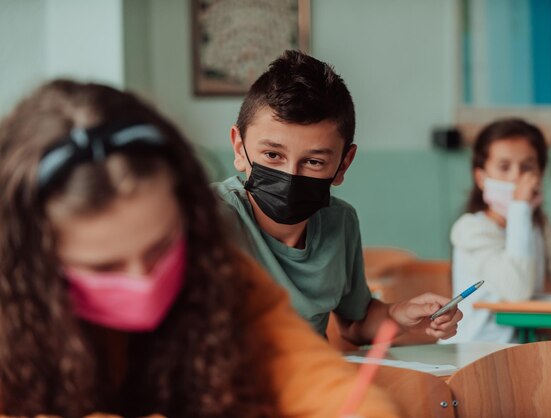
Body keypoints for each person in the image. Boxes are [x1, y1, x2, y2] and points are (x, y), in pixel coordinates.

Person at [0, 80, 399, 417]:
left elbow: (313, 378)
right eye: (104, 268)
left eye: (160, 249)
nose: (144, 281)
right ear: (32, 261)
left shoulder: (218, 276)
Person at [213, 50, 462, 345]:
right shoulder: (208, 218)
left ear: (343, 164)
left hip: (313, 383)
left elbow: (355, 325)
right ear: (240, 149)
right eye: (272, 155)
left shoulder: (340, 223)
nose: (291, 174)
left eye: (314, 162)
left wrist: (399, 315)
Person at [446, 118, 551, 343]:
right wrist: (520, 207)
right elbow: (517, 289)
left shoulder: (538, 226)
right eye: (504, 167)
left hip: (525, 349)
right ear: (481, 178)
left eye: (527, 167)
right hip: (475, 350)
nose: (516, 177)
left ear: (540, 175)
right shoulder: (470, 229)